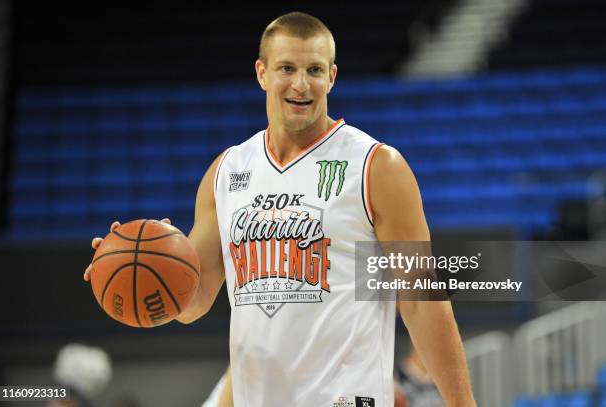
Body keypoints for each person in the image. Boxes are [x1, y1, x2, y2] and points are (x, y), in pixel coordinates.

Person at [84, 12, 476, 406]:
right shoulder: (227, 171)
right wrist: (137, 262)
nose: (301, 84)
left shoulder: (376, 167)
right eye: (287, 68)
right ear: (262, 73)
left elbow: (423, 303)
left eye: (315, 70)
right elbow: (192, 300)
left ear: (332, 77)